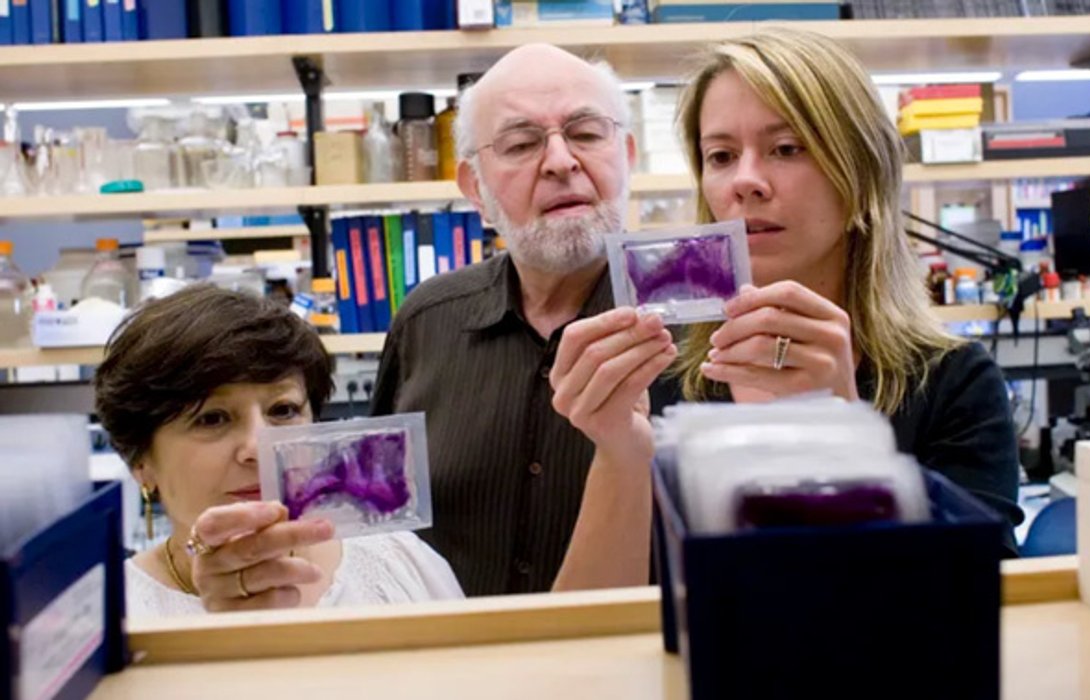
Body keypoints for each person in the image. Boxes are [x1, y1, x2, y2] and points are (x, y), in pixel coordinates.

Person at [551, 29, 1023, 545]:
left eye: (785, 148)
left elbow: (973, 608)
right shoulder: (659, 376)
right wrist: (619, 455)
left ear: (860, 172)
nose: (745, 181)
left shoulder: (953, 386)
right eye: (721, 156)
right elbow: (606, 613)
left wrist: (840, 431)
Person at [96, 285, 657, 617]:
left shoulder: (397, 556)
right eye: (211, 419)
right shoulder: (112, 620)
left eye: (283, 411)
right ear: (139, 459)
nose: (258, 448)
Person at [370, 44, 676, 596]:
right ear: (475, 189)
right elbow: (377, 535)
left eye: (586, 133)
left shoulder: (704, 329)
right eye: (520, 143)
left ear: (626, 155)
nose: (561, 161)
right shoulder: (425, 322)